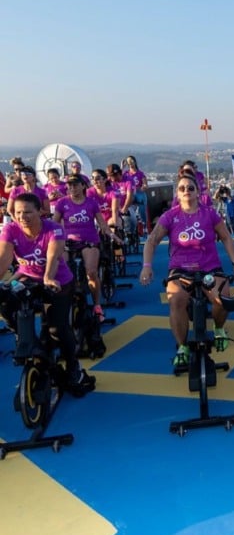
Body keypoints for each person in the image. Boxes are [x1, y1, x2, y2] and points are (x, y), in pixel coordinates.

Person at [139, 173, 234, 368]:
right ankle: (182, 346)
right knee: (176, 300)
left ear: (198, 192)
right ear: (177, 194)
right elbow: (153, 240)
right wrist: (147, 266)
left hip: (209, 268)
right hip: (181, 270)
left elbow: (226, 237)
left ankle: (219, 329)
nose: (186, 191)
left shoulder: (209, 214)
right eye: (182, 189)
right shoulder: (170, 216)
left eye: (190, 188)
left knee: (222, 298)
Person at [0, 193, 95, 393]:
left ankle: (73, 367)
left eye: (27, 212)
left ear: (40, 212)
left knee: (57, 328)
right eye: (18, 213)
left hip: (57, 280)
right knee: (6, 305)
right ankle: (25, 339)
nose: (22, 217)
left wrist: (48, 277)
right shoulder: (10, 229)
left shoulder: (54, 229)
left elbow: (53, 255)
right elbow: (4, 258)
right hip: (28, 278)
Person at [54, 174, 117, 321]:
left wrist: (112, 234)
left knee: (91, 272)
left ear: (83, 186)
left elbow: (102, 223)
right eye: (69, 186)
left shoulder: (91, 203)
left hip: (89, 241)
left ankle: (97, 306)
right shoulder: (61, 203)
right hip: (68, 243)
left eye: (75, 185)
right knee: (60, 270)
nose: (72, 188)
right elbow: (54, 224)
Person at [123, 155, 149, 229]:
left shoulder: (140, 173)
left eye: (131, 161)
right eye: (128, 162)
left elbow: (145, 185)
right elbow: (119, 180)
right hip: (130, 193)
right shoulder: (126, 174)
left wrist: (143, 187)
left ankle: (144, 226)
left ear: (135, 162)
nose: (130, 163)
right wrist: (122, 167)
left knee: (141, 206)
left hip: (138, 193)